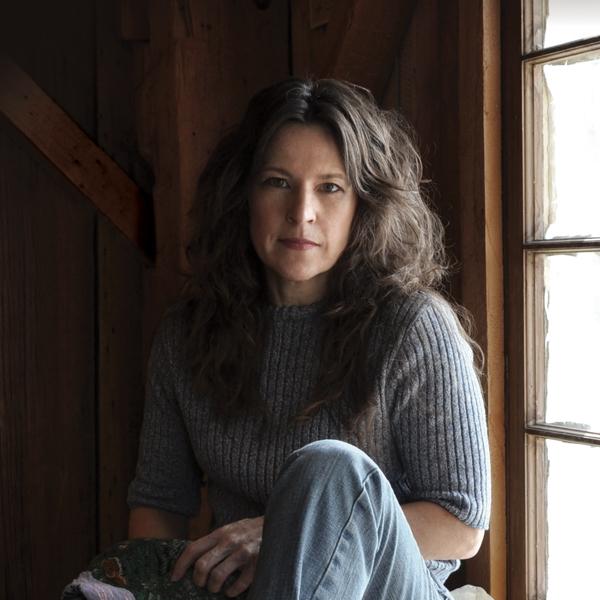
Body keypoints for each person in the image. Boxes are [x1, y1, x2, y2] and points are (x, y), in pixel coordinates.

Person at [127, 77, 491, 600]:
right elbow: (158, 506)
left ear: (363, 205)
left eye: (330, 187)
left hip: (389, 593)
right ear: (243, 194)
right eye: (278, 182)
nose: (302, 212)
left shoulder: (413, 326)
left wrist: (286, 534)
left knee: (333, 467)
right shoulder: (186, 336)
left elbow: (462, 522)